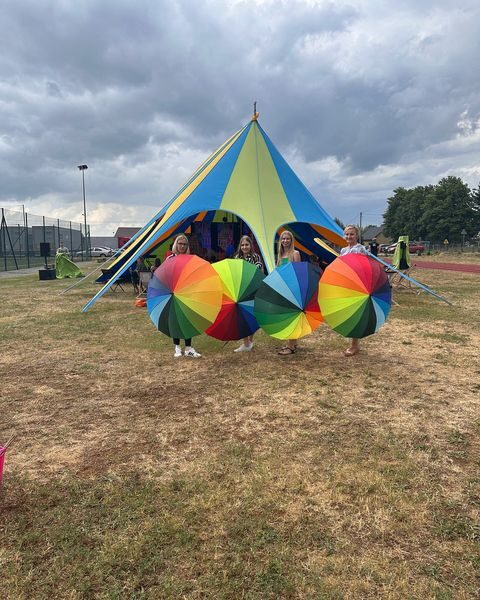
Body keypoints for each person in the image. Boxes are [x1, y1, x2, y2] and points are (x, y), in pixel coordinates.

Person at [168, 234, 201, 358]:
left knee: (188, 319)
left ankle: (188, 347)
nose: (182, 246)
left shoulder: (190, 259)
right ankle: (177, 346)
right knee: (175, 320)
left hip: (188, 293)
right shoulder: (170, 258)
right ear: (176, 244)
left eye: (184, 244)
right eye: (180, 243)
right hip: (174, 292)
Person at [233, 235, 264, 352]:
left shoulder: (256, 257)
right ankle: (245, 343)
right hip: (241, 291)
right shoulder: (237, 258)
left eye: (246, 244)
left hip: (254, 290)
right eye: (242, 245)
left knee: (253, 315)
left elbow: (259, 273)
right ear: (240, 246)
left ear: (251, 245)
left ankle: (250, 341)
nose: (244, 247)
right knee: (242, 316)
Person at [340, 225, 367, 357]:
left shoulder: (361, 249)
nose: (349, 237)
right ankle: (352, 342)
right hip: (346, 284)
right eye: (347, 234)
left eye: (351, 234)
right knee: (348, 312)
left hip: (357, 285)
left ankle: (354, 345)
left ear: (356, 235)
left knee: (356, 313)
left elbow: (364, 267)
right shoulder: (343, 250)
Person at [277, 231, 301, 356]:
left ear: (291, 240)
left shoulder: (295, 254)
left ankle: (290, 346)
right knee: (288, 317)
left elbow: (298, 274)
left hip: (293, 290)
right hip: (284, 289)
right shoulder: (280, 256)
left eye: (287, 239)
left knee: (291, 317)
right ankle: (294, 342)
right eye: (283, 238)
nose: (285, 241)